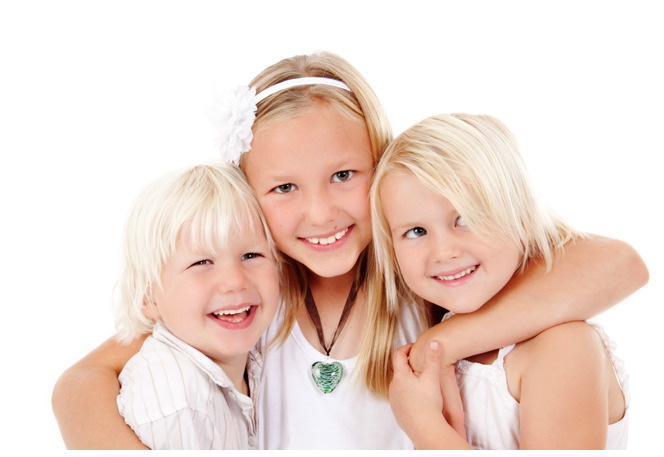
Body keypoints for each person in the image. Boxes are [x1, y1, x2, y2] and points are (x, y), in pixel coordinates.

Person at [52, 52, 648, 450]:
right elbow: (80, 383)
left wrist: (439, 344)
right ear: (248, 194)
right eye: (284, 188)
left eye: (344, 175)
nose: (320, 214)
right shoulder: (252, 299)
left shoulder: (423, 273)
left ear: (382, 167)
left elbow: (618, 264)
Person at [372, 113, 632, 449]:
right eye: (416, 231)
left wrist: (425, 427)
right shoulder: (434, 331)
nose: (444, 251)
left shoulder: (563, 348)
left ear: (520, 215)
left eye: (465, 218)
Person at [112, 163, 281, 449]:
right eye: (202, 262)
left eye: (251, 255)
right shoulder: (181, 406)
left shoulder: (258, 353)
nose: (234, 281)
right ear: (148, 296)